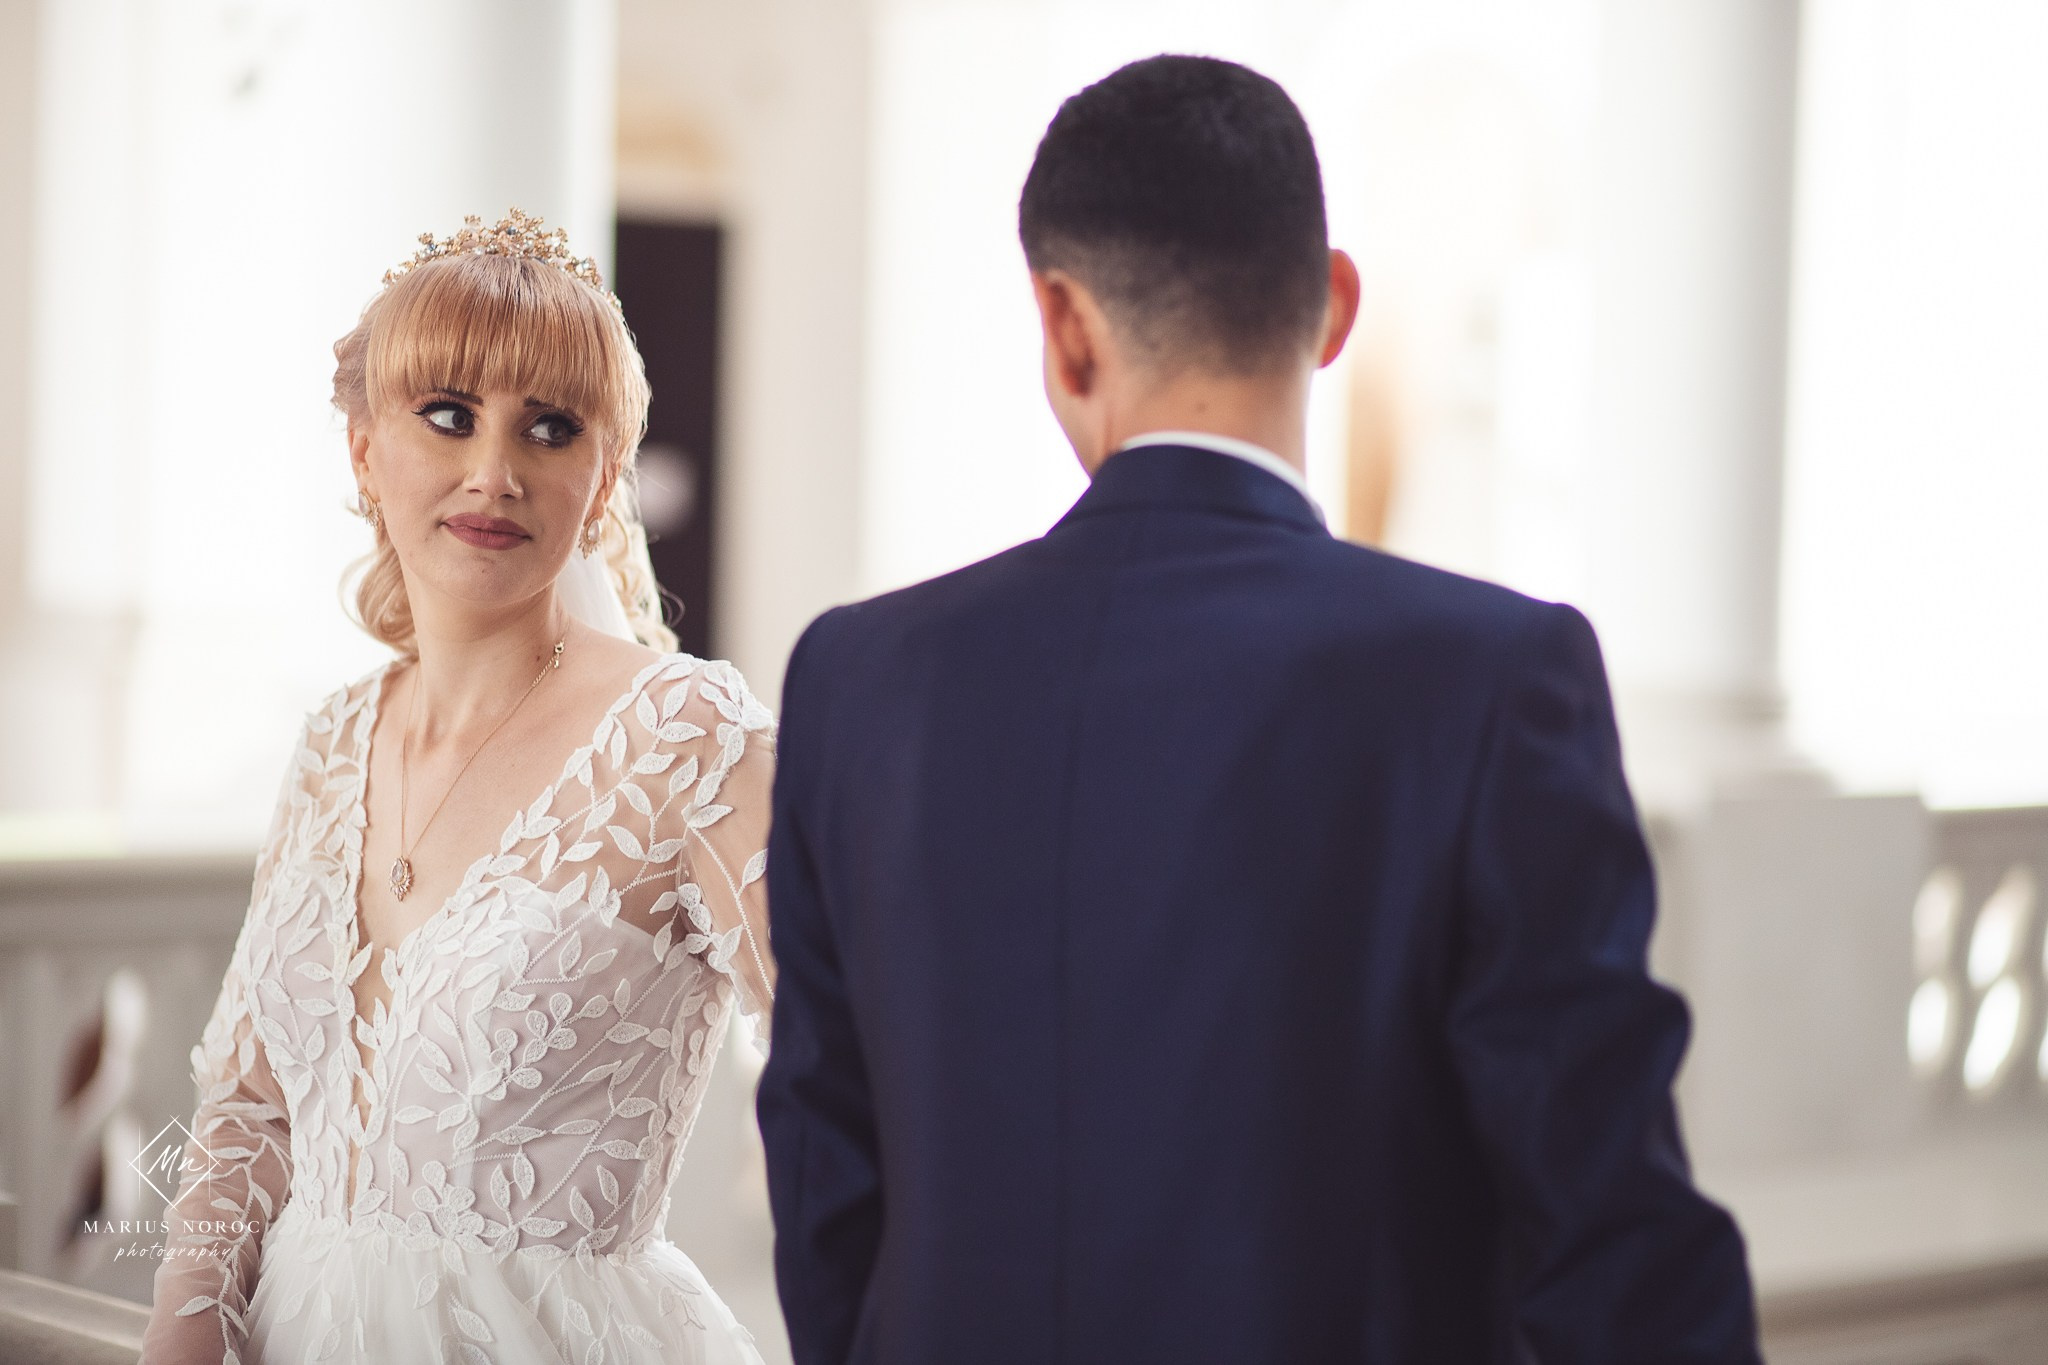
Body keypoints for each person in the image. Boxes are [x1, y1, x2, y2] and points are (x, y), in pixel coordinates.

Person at [757, 55, 1762, 1364]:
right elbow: (1612, 1234)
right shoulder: (1496, 677)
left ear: (1062, 323)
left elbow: (827, 1193)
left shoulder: (859, 680)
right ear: (1333, 304)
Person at [140, 211, 779, 1365]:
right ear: (365, 449)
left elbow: (853, 1066)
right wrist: (181, 1341)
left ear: (601, 482)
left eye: (549, 428)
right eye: (448, 415)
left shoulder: (691, 738)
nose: (495, 471)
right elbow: (251, 1113)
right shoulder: (333, 742)